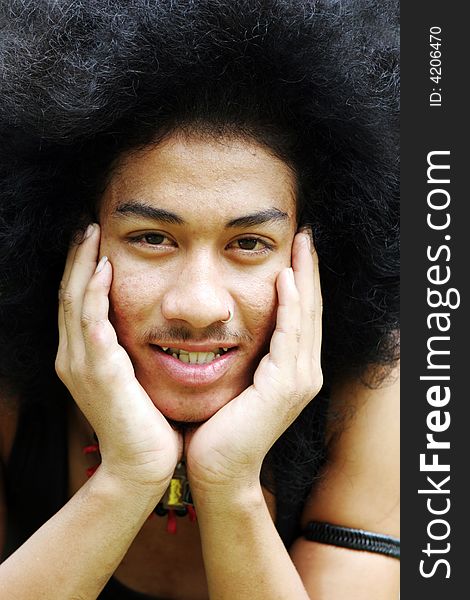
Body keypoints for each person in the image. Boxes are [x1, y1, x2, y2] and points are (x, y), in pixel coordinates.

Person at [0, 0, 400, 598]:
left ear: (318, 254)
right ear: (68, 238)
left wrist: (230, 483)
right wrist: (129, 476)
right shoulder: (10, 380)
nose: (199, 305)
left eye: (249, 243)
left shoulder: (384, 388)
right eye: (153, 238)